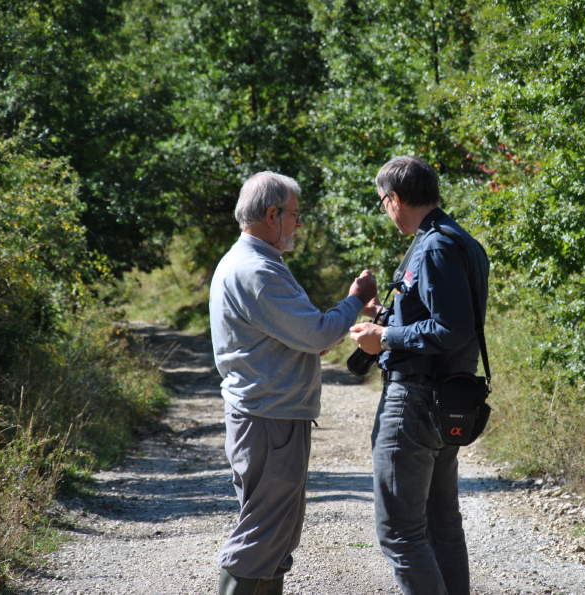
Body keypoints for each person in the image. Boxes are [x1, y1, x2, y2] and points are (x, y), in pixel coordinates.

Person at [209, 171, 377, 595]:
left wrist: (325, 330)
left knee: (274, 537)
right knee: (261, 537)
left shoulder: (254, 264)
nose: (299, 224)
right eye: (296, 215)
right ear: (272, 214)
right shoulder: (257, 270)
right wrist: (355, 299)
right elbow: (317, 333)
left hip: (267, 414)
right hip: (270, 418)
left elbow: (300, 338)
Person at [349, 156, 490, 595]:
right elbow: (441, 317)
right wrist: (383, 315)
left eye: (382, 202)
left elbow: (451, 327)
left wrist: (384, 336)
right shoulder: (460, 240)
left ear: (394, 199)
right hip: (444, 400)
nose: (385, 210)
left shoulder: (434, 247)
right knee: (440, 525)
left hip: (414, 401)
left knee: (401, 533)